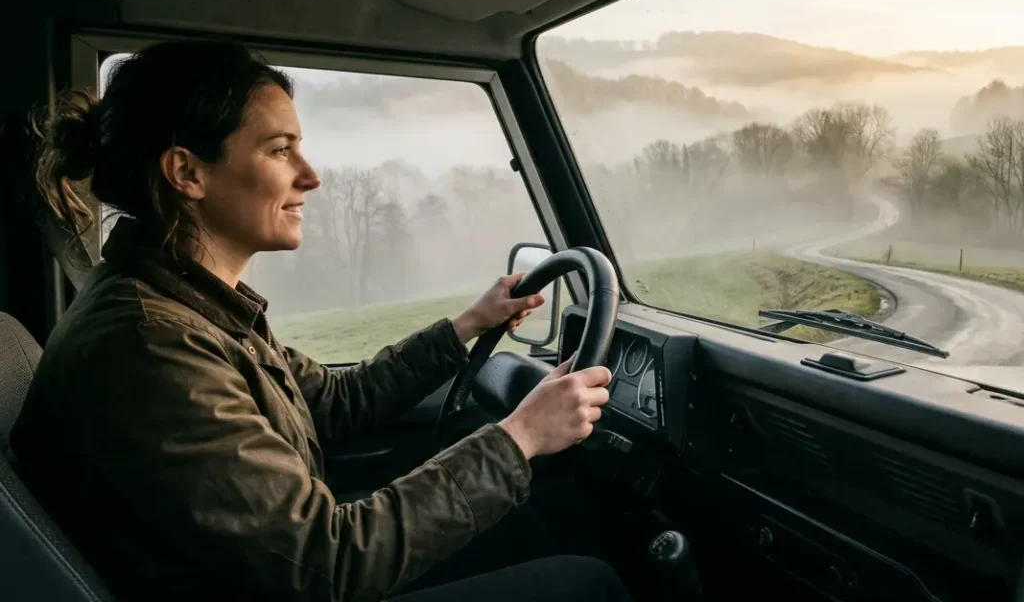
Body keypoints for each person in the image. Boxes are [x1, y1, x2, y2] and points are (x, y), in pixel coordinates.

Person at [9, 40, 631, 602]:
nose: (311, 175)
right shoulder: (149, 344)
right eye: (281, 150)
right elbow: (325, 563)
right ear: (188, 173)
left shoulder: (187, 304)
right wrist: (521, 435)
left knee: (535, 521)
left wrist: (467, 325)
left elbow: (331, 402)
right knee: (587, 583)